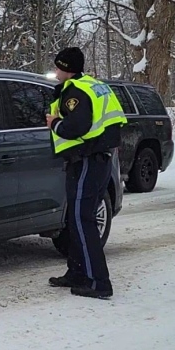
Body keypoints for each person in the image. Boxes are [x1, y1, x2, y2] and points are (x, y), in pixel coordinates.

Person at [45, 46, 127, 300]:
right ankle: (78, 272)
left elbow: (76, 126)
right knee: (77, 219)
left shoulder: (76, 91)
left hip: (88, 159)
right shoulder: (92, 84)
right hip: (95, 158)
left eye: (58, 67)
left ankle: (98, 282)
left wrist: (54, 123)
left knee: (82, 220)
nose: (55, 71)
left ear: (66, 68)